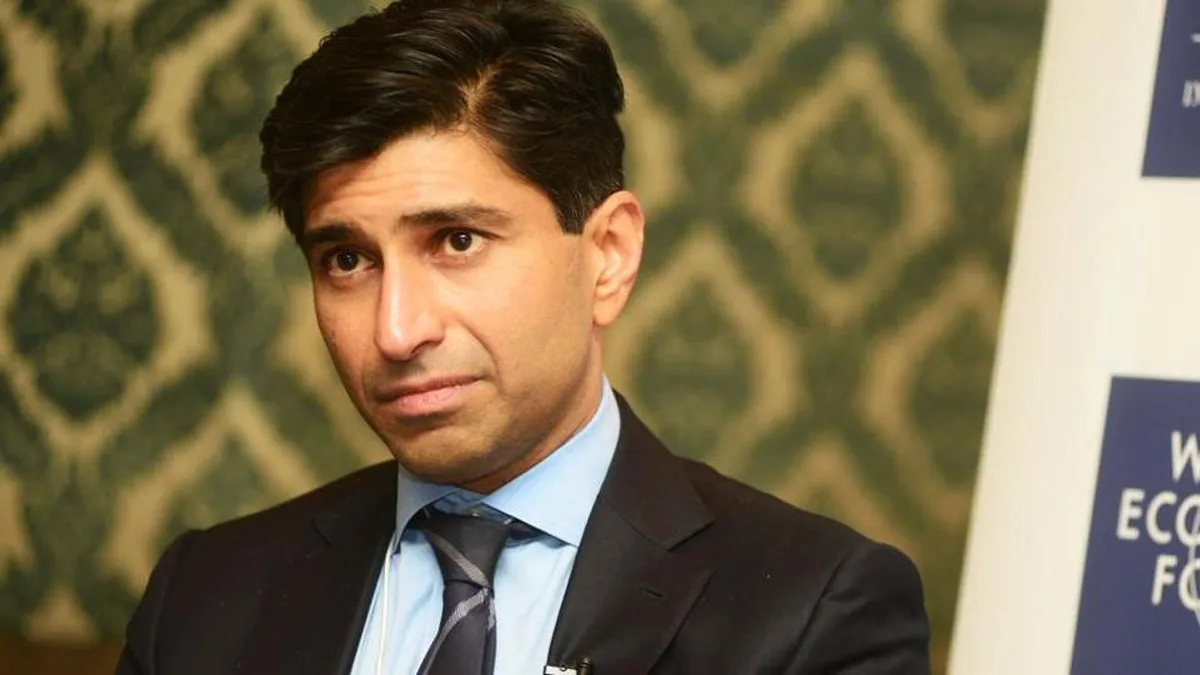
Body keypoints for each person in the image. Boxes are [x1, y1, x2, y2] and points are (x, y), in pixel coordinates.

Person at [116, 1, 930, 673]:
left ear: (608, 256)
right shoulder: (204, 599)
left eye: (457, 240)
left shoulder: (812, 611)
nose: (397, 330)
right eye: (348, 259)